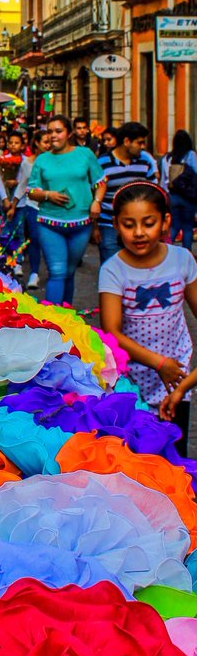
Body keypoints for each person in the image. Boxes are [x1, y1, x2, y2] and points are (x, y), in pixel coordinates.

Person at [99, 181, 197, 456]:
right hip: (131, 381)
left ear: (165, 222)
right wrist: (158, 363)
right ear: (116, 225)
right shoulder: (113, 270)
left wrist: (181, 381)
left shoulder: (183, 260)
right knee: (138, 455)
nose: (139, 232)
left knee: (175, 457)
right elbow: (111, 331)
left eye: (149, 223)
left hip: (176, 380)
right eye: (129, 224)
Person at [27, 114, 106, 306]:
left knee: (69, 272)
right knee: (57, 272)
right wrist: (48, 195)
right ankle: (51, 320)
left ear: (69, 133)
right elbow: (31, 191)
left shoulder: (85, 154)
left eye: (58, 131)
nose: (53, 135)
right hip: (50, 224)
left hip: (81, 224)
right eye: (50, 132)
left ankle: (66, 315)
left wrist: (97, 201)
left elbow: (101, 182)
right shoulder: (42, 160)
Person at [95, 122, 156, 264]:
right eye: (139, 143)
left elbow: (153, 191)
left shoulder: (145, 162)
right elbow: (94, 195)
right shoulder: (103, 163)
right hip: (108, 224)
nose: (143, 147)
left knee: (137, 266)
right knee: (111, 266)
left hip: (138, 226)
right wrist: (94, 227)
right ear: (127, 141)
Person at [7, 129, 51, 289]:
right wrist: (13, 206)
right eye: (45, 142)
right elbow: (22, 185)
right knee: (34, 238)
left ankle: (53, 270)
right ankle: (34, 273)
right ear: (37, 143)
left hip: (52, 207)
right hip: (33, 206)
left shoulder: (55, 160)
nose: (49, 145)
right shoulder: (27, 163)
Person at [162, 129, 197, 250]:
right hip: (188, 196)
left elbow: (163, 180)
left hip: (172, 196)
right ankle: (186, 253)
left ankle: (167, 249)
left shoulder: (167, 158)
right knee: (187, 228)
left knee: (174, 226)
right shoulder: (190, 155)